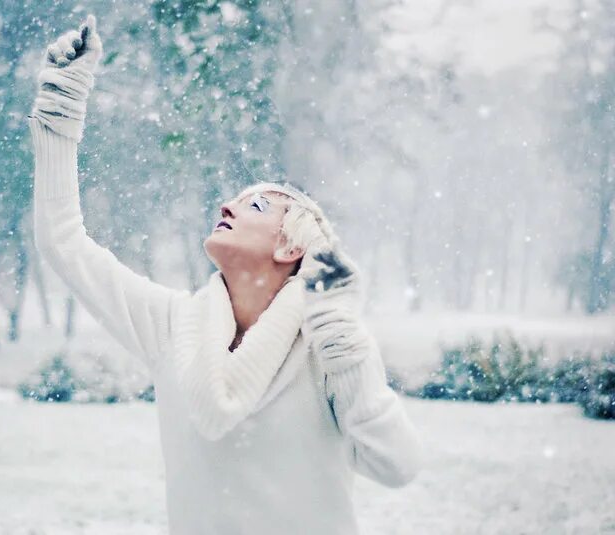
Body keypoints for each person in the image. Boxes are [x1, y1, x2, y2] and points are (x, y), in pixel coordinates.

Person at [28, 13, 424, 535]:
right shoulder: (172, 327)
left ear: (289, 246)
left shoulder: (328, 346)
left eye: (256, 204)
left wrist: (346, 345)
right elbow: (63, 241)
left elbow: (397, 465)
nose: (227, 205)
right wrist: (62, 108)